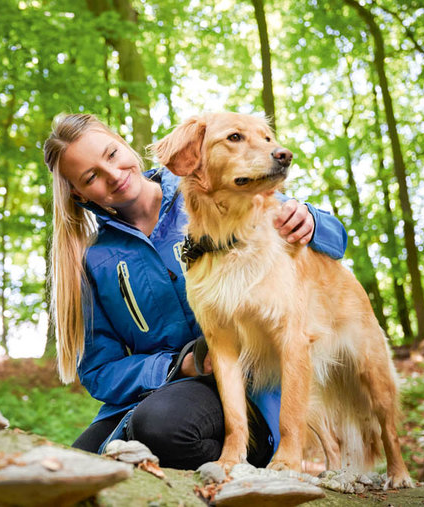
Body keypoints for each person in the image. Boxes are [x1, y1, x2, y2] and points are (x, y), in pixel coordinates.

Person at [43, 113, 348, 470]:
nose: (112, 174)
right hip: (151, 396)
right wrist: (176, 365)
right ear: (78, 193)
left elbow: (334, 241)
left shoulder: (207, 186)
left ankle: (254, 471)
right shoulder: (95, 260)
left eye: (111, 154)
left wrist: (311, 220)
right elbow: (100, 370)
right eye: (91, 176)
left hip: (243, 386)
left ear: (124, 144)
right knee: (76, 462)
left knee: (162, 428)